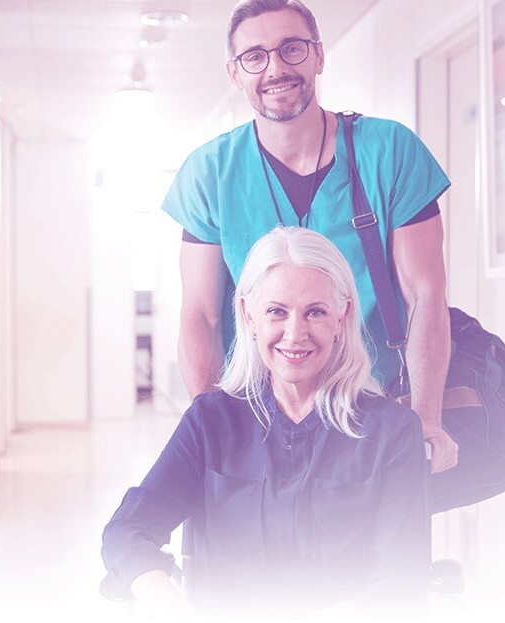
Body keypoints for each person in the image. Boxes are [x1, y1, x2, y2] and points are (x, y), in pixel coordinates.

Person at [165, 0, 458, 472]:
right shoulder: (210, 172)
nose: (275, 68)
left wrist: (424, 419)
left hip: (375, 411)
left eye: (292, 49)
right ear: (234, 73)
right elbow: (200, 314)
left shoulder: (389, 152)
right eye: (254, 56)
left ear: (319, 56)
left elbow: (426, 294)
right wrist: (211, 423)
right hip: (257, 421)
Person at [101, 227, 430, 620]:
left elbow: (403, 579)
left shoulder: (391, 432)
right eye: (277, 311)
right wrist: (170, 603)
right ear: (248, 315)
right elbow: (127, 531)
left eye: (316, 312)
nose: (295, 334)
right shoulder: (210, 422)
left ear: (342, 317)